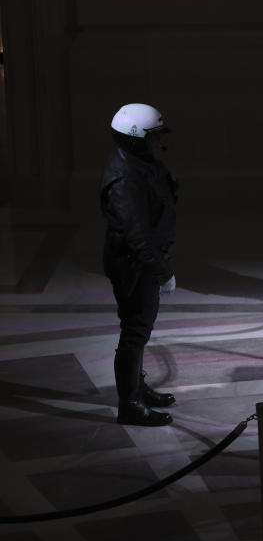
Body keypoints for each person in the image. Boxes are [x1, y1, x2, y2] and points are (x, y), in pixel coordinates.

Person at [100, 103, 178, 427]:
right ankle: (129, 404)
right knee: (134, 332)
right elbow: (137, 233)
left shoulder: (137, 163)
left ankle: (137, 389)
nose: (161, 143)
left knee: (139, 330)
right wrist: (162, 271)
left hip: (143, 262)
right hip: (134, 265)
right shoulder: (123, 176)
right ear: (135, 139)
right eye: (155, 137)